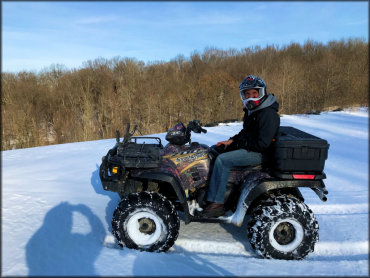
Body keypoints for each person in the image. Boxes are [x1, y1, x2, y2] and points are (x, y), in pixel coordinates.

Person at [200, 75, 280, 218]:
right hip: (253, 148)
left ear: (262, 93)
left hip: (261, 153)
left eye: (254, 93)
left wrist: (238, 144)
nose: (251, 97)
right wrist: (231, 141)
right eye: (247, 94)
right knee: (215, 151)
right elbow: (246, 133)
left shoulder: (267, 113)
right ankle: (212, 190)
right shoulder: (255, 111)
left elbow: (262, 143)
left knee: (223, 160)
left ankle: (217, 203)